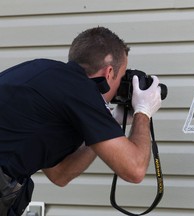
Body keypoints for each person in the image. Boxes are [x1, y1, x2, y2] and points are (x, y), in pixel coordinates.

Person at [0, 26, 162, 216]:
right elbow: (135, 170)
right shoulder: (82, 91)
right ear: (109, 72)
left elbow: (60, 174)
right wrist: (143, 112)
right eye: (122, 76)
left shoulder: (42, 73)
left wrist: (102, 131)